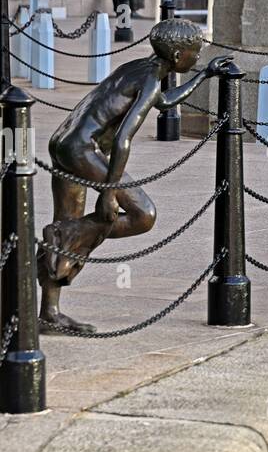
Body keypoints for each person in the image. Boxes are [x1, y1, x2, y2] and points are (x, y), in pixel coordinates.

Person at [38, 19, 229, 335]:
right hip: (83, 149)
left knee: (68, 220)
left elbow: (164, 103)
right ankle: (63, 236)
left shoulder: (140, 67)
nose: (197, 59)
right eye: (195, 54)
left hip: (64, 142)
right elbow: (125, 137)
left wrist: (205, 75)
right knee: (144, 214)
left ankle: (49, 311)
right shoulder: (152, 80)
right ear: (178, 55)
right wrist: (109, 192)